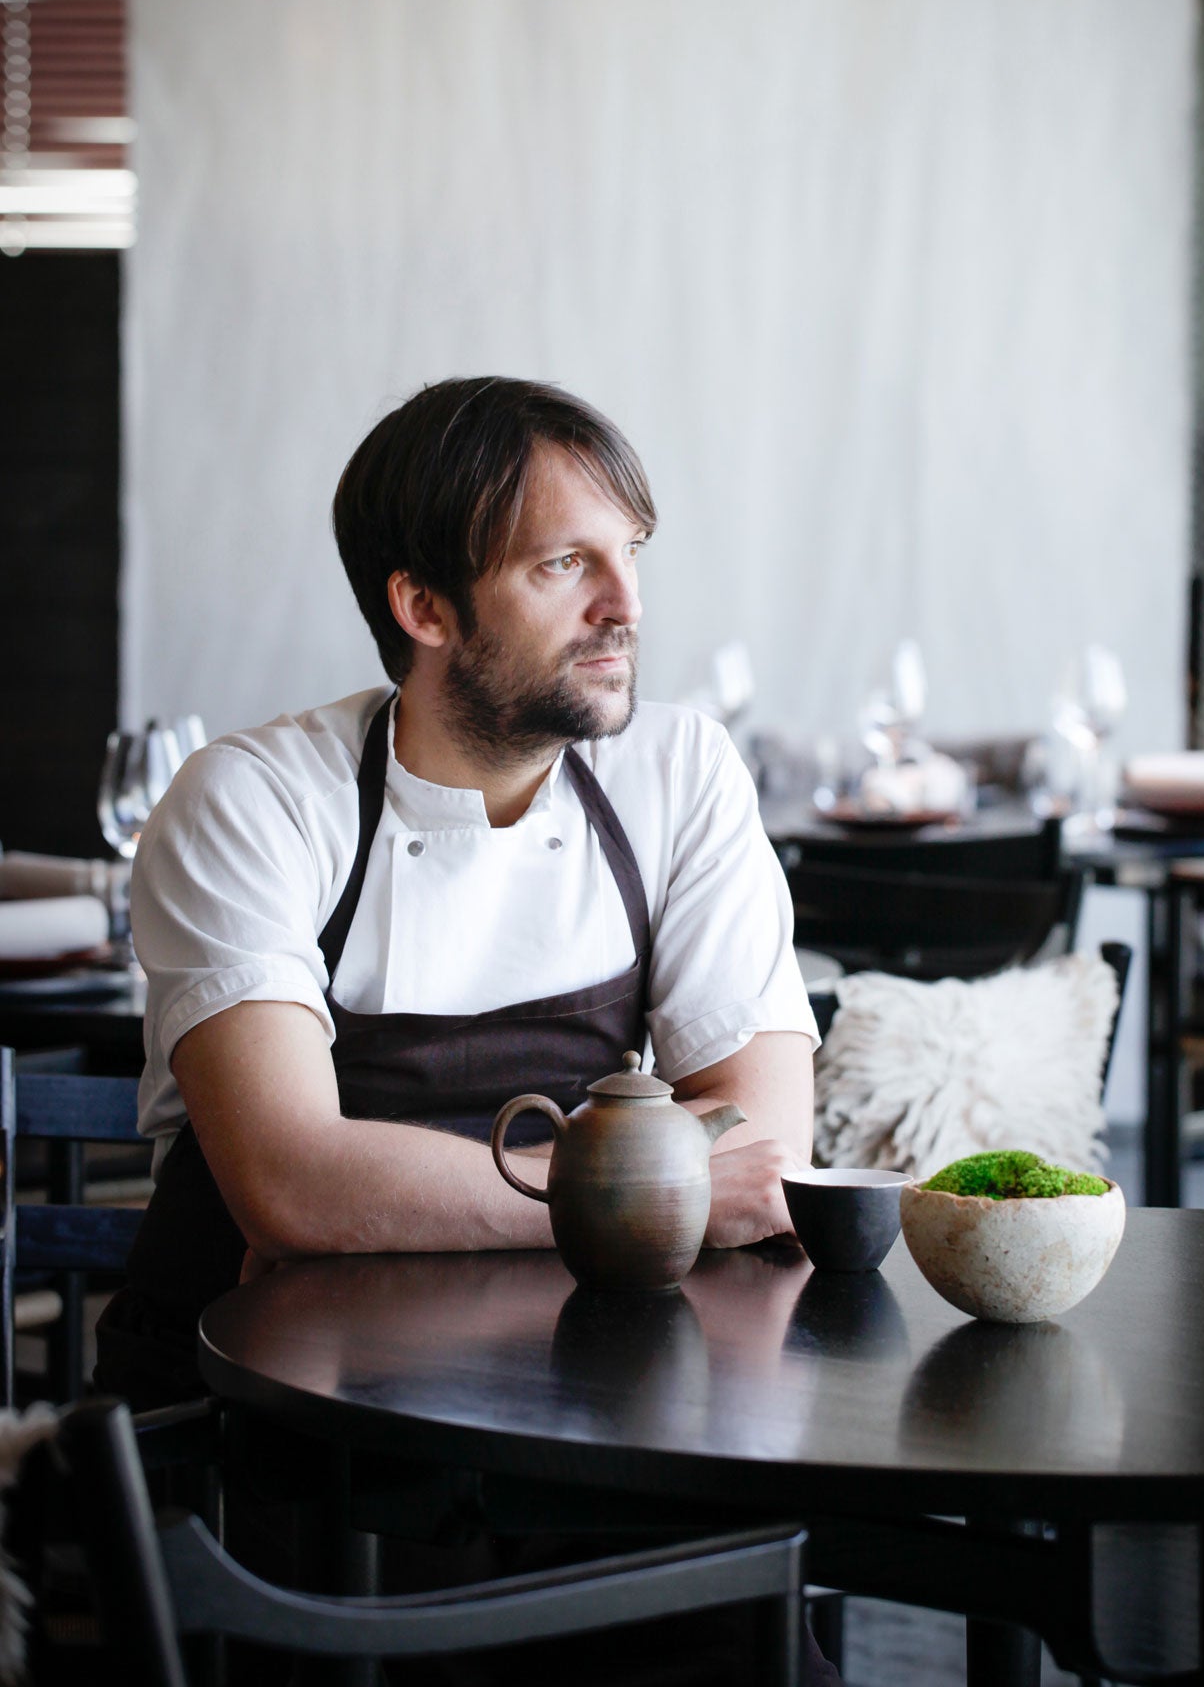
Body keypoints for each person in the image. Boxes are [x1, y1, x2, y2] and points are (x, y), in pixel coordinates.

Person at [94, 375, 819, 1409]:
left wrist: (375, 1199)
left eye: (631, 552)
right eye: (566, 563)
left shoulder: (679, 773)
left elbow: (758, 1148)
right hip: (257, 1416)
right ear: (423, 606)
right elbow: (292, 1182)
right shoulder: (251, 801)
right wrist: (663, 1194)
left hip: (578, 1385)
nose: (626, 603)